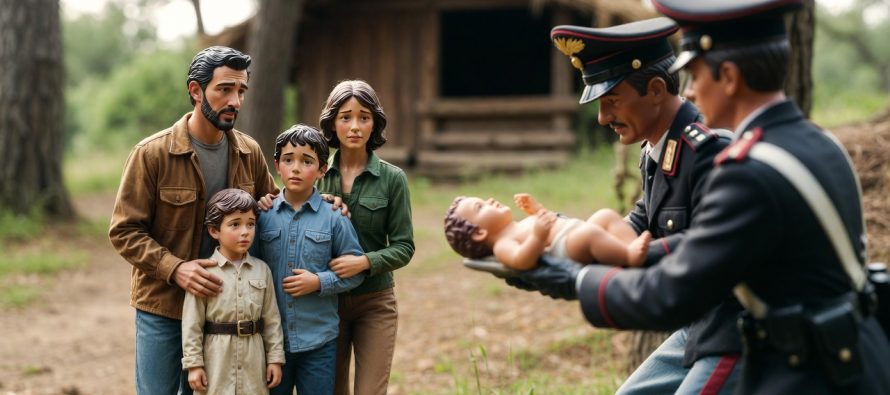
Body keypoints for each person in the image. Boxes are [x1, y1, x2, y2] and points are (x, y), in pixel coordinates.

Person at [509, 0, 890, 393]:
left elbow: (675, 290)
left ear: (729, 77)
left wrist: (574, 277)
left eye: (694, 75)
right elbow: (654, 224)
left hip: (789, 357)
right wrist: (571, 236)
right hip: (827, 341)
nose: (689, 91)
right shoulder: (815, 142)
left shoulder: (748, 171)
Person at [548, 18, 741, 394]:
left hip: (734, 326)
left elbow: (702, 247)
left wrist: (617, 257)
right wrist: (572, 239)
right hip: (699, 324)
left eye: (612, 101)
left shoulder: (709, 150)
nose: (603, 118)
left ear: (655, 91)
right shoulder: (657, 146)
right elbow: (644, 218)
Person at [109, 46, 277, 395]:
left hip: (222, 312)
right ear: (195, 90)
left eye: (241, 91)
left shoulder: (250, 152)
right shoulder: (151, 154)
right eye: (224, 89)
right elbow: (124, 230)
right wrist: (176, 269)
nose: (235, 101)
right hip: (164, 306)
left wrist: (323, 203)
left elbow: (276, 209)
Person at [316, 80, 415, 395]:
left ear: (375, 123)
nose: (355, 126)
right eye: (345, 117)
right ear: (332, 123)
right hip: (325, 303)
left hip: (375, 302)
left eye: (364, 117)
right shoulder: (314, 176)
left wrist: (364, 262)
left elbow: (404, 246)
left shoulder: (393, 179)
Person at [256, 124, 366, 394]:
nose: (295, 168)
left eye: (306, 161)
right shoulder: (261, 217)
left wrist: (320, 282)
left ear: (322, 170)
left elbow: (357, 271)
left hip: (319, 342)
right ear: (276, 166)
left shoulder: (335, 218)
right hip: (271, 343)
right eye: (288, 160)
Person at [181, 188, 285, 394]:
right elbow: (192, 323)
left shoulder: (262, 270)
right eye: (235, 224)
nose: (245, 231)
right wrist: (194, 365)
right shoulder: (203, 272)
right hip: (216, 362)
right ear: (214, 231)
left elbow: (272, 320)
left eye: (250, 224)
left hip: (254, 362)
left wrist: (275, 359)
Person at [444, 193, 652, 269]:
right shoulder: (502, 245)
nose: (489, 200)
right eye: (480, 206)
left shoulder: (517, 225)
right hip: (566, 248)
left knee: (605, 215)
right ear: (479, 233)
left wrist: (537, 210)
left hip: (572, 231)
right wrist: (537, 236)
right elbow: (521, 260)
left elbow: (551, 221)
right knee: (590, 234)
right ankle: (629, 256)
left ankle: (631, 244)